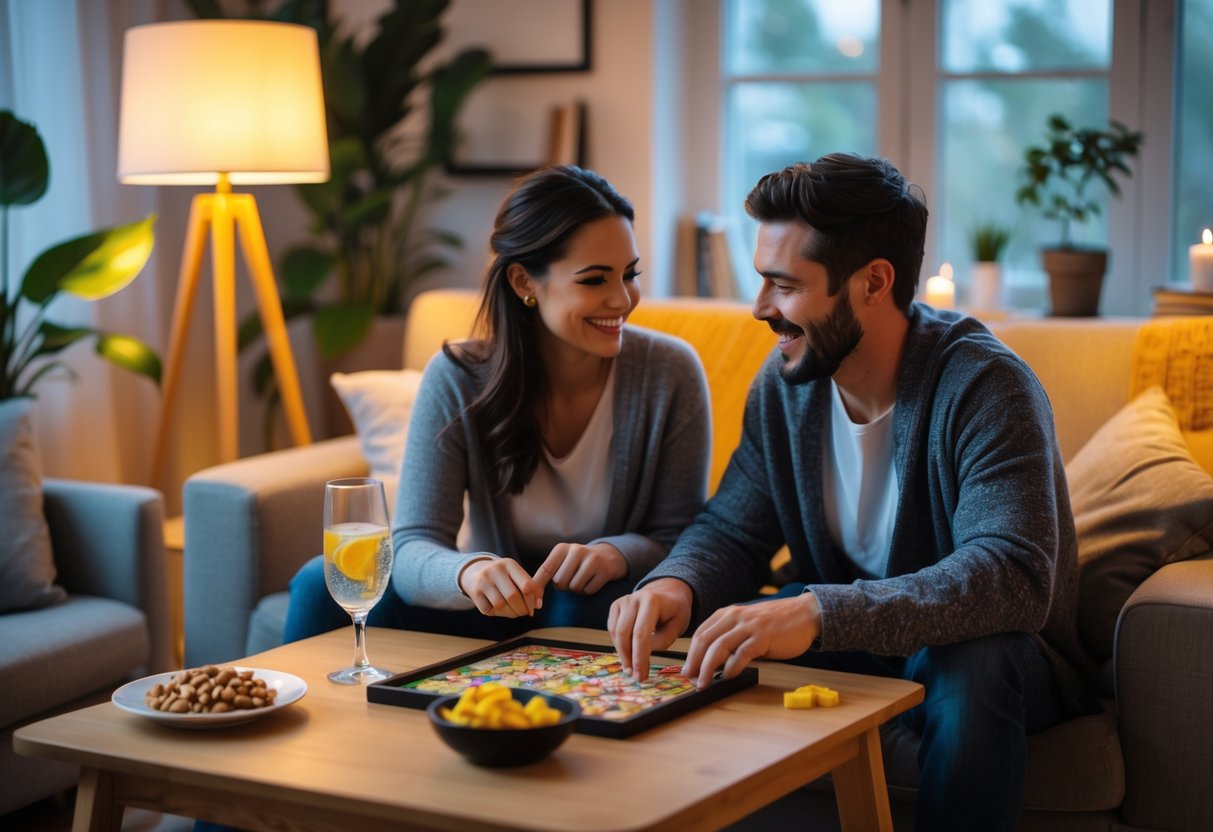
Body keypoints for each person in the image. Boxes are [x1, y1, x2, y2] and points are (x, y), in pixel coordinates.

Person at [607, 154, 1094, 831]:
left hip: (991, 656)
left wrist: (817, 613)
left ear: (873, 282)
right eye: (762, 281)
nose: (760, 308)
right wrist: (677, 584)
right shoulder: (785, 384)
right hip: (857, 638)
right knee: (718, 629)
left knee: (972, 659)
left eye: (783, 285)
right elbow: (733, 528)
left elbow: (1010, 576)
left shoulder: (986, 387)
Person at [283, 165, 711, 643]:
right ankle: (271, 694)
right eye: (594, 280)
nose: (622, 300)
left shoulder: (670, 373)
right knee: (318, 583)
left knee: (576, 605)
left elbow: (685, 539)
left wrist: (617, 554)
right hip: (486, 608)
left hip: (593, 604)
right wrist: (469, 573)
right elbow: (412, 545)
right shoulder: (458, 378)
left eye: (630, 275)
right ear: (524, 282)